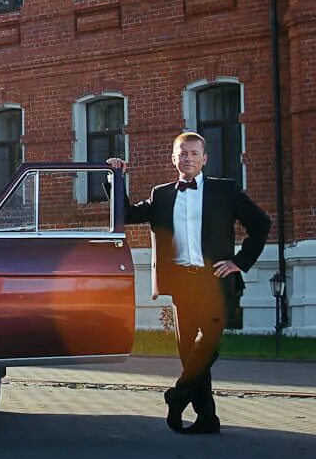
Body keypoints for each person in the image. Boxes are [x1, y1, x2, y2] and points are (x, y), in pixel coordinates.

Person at [109, 132, 269, 434]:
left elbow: (261, 224)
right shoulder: (163, 194)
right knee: (188, 351)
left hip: (216, 281)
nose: (189, 159)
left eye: (195, 154)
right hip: (182, 283)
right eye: (183, 154)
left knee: (205, 345)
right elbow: (126, 215)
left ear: (204, 159)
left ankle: (178, 393)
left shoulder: (225, 191)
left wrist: (240, 262)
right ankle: (207, 417)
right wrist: (115, 178)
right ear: (174, 159)